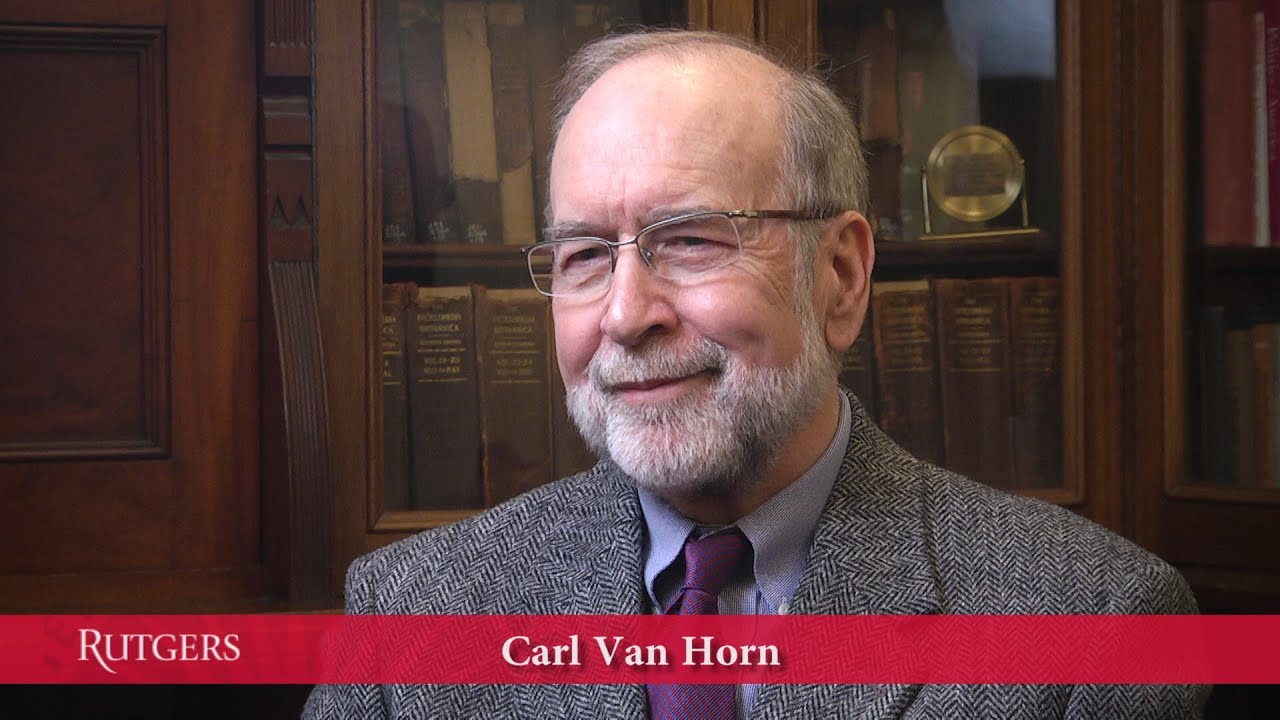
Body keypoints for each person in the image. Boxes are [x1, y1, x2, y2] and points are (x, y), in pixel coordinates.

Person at [305, 29, 1205, 719]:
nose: (624, 314)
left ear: (840, 277)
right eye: (584, 255)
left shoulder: (1097, 629)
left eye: (691, 240)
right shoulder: (412, 618)